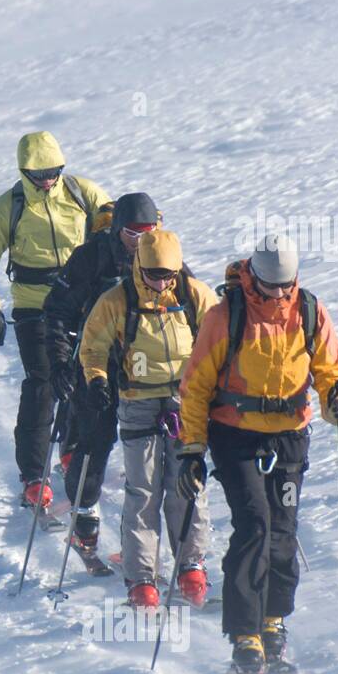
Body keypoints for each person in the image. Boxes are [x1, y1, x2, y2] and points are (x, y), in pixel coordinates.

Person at [176, 235, 338, 674]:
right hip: (235, 436)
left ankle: (274, 620)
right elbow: (196, 387)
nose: (278, 294)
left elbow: (328, 369)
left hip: (290, 437)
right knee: (255, 525)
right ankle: (245, 635)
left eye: (285, 285)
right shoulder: (226, 316)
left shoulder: (310, 311)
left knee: (282, 530)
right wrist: (192, 450)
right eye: (270, 286)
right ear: (252, 275)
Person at [0, 132, 111, 513]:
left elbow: (115, 230)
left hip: (81, 303)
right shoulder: (8, 207)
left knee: (82, 377)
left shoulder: (83, 194)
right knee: (43, 384)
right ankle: (33, 475)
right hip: (35, 307)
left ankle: (72, 451)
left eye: (54, 171)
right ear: (23, 170)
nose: (47, 179)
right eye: (39, 173)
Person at [76, 230, 217, 603]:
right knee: (143, 492)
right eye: (154, 274)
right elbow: (92, 346)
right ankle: (142, 579)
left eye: (168, 274)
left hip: (186, 402)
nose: (161, 282)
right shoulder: (117, 301)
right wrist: (96, 380)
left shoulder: (194, 295)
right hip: (138, 401)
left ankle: (191, 566)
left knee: (187, 485)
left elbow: (221, 342)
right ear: (140, 266)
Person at [43, 192, 161, 554]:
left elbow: (190, 309)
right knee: (95, 442)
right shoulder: (91, 257)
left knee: (148, 455)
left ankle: (142, 543)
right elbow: (57, 311)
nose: (140, 240)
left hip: (149, 368)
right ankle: (85, 514)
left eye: (149, 231)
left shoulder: (163, 255)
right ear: (117, 230)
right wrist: (62, 363)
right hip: (97, 364)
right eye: (132, 233)